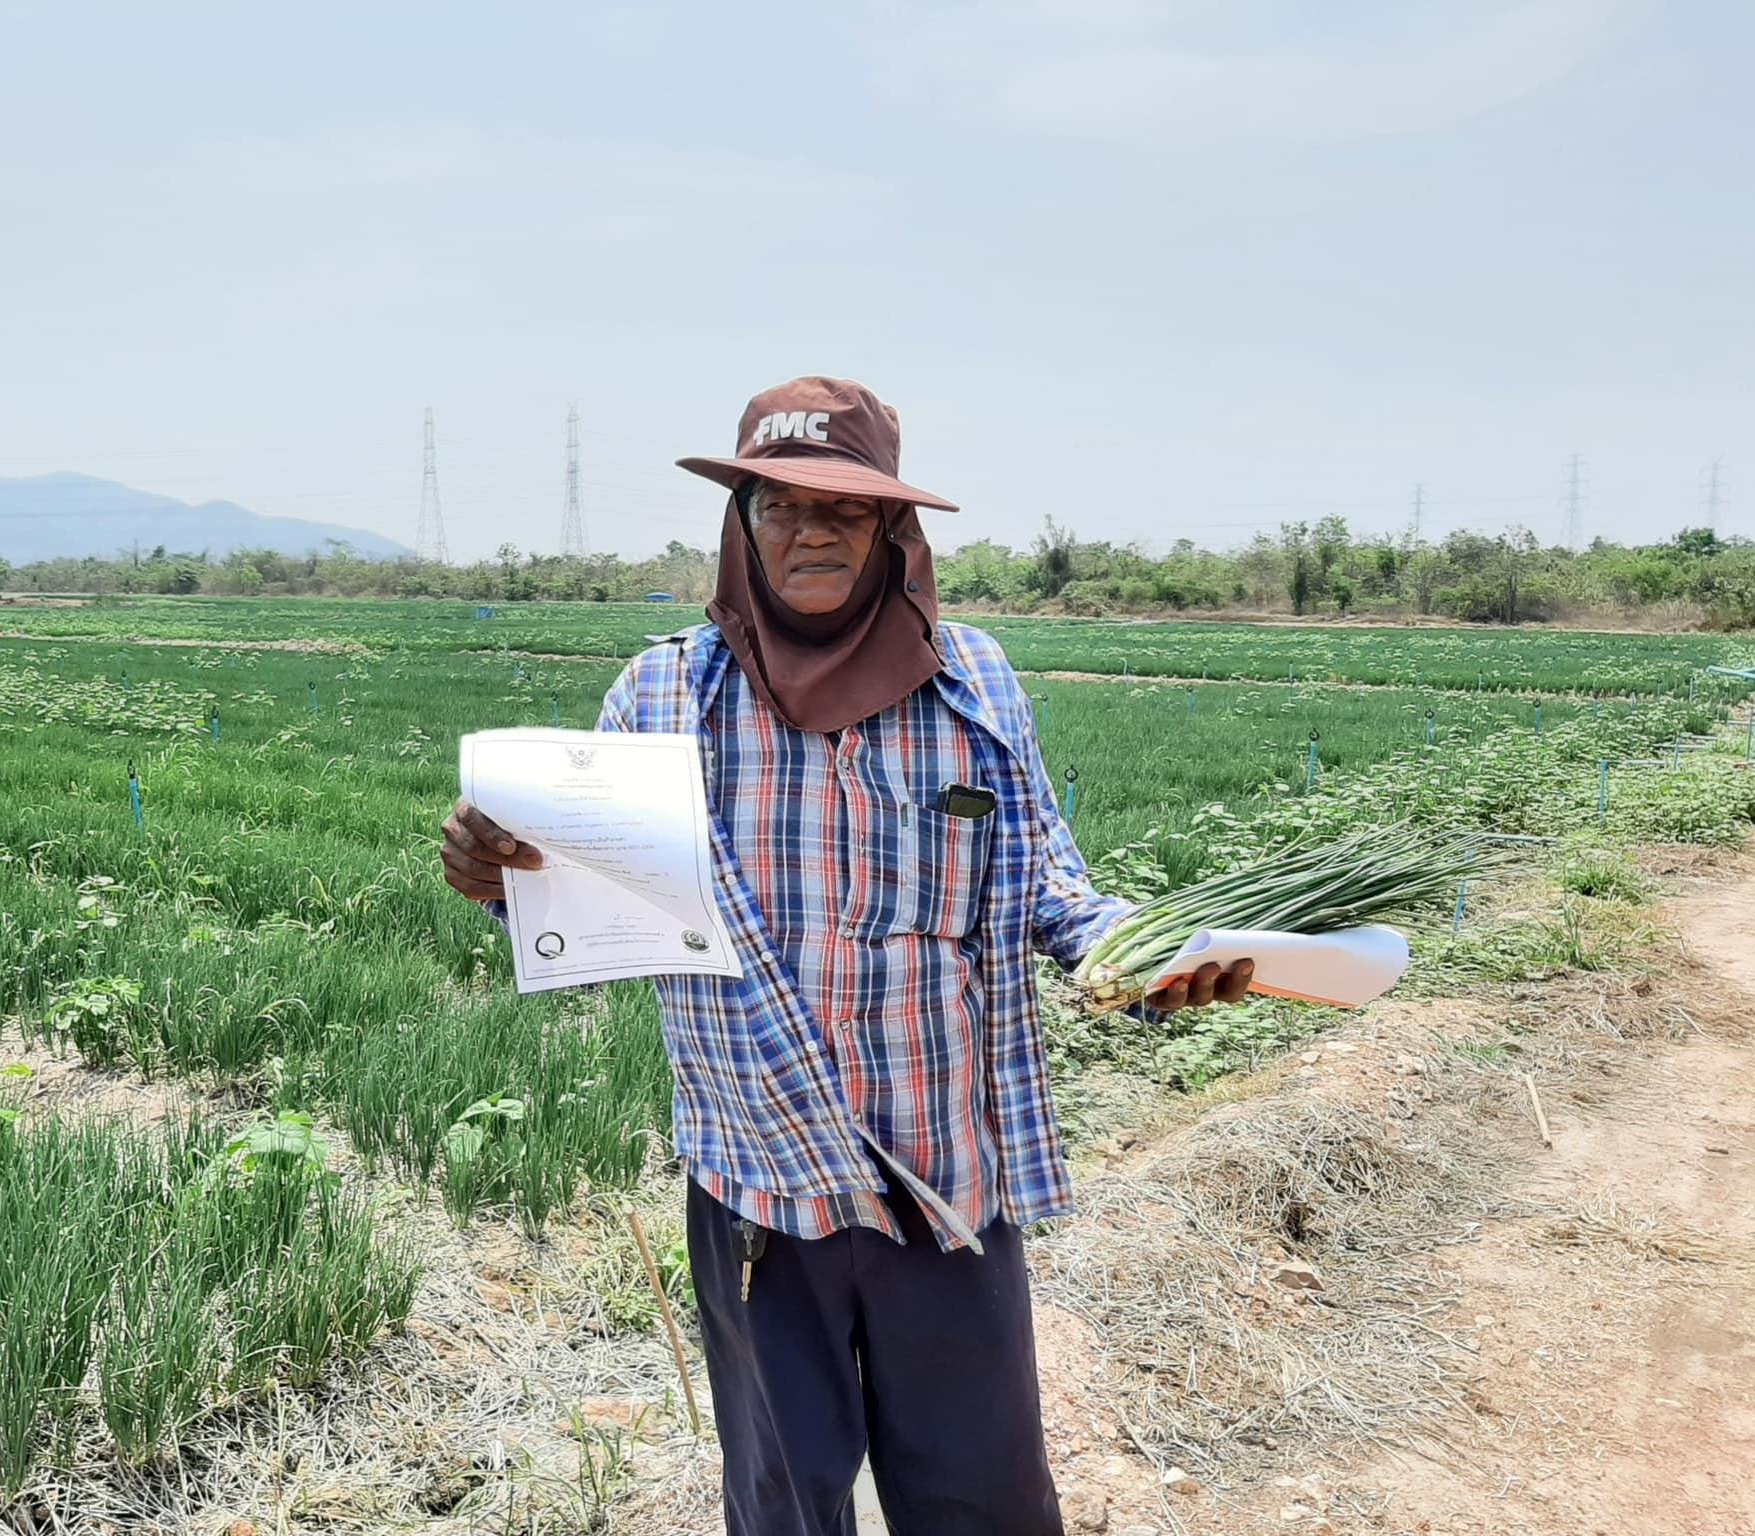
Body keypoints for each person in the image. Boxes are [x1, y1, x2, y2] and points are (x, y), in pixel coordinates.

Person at [440, 376, 1253, 1536]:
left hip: (943, 1176)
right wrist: (501, 875)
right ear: (741, 525)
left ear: (891, 530)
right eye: (778, 504)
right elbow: (587, 895)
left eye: (844, 508)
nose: (809, 531)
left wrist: (1152, 960)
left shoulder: (971, 685)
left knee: (983, 1498)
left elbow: (1047, 885)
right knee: (786, 1498)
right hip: (759, 1183)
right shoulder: (664, 693)